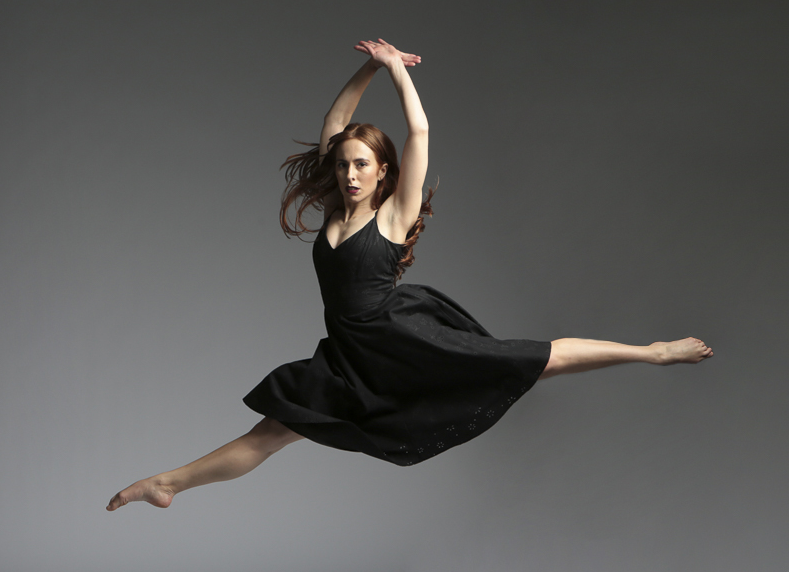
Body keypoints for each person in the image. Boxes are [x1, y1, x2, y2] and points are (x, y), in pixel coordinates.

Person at [106, 39, 712, 512]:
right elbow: (337, 117)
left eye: (361, 165)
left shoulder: (393, 215)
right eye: (343, 165)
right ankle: (168, 484)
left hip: (402, 341)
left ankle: (652, 352)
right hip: (348, 357)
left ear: (382, 172)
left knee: (537, 358)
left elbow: (419, 131)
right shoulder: (336, 209)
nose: (348, 174)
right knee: (270, 433)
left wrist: (398, 69)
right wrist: (368, 66)